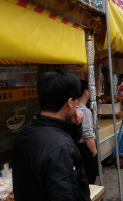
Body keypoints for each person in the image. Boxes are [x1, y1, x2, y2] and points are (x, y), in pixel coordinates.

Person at [12, 70, 90, 201]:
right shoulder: (61, 147)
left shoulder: (24, 133)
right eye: (76, 100)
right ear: (70, 103)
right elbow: (65, 195)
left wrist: (74, 126)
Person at [77, 80, 98, 184]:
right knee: (89, 180)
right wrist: (94, 151)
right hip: (84, 148)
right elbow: (87, 135)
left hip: (76, 147)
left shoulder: (73, 109)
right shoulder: (84, 111)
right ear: (86, 92)